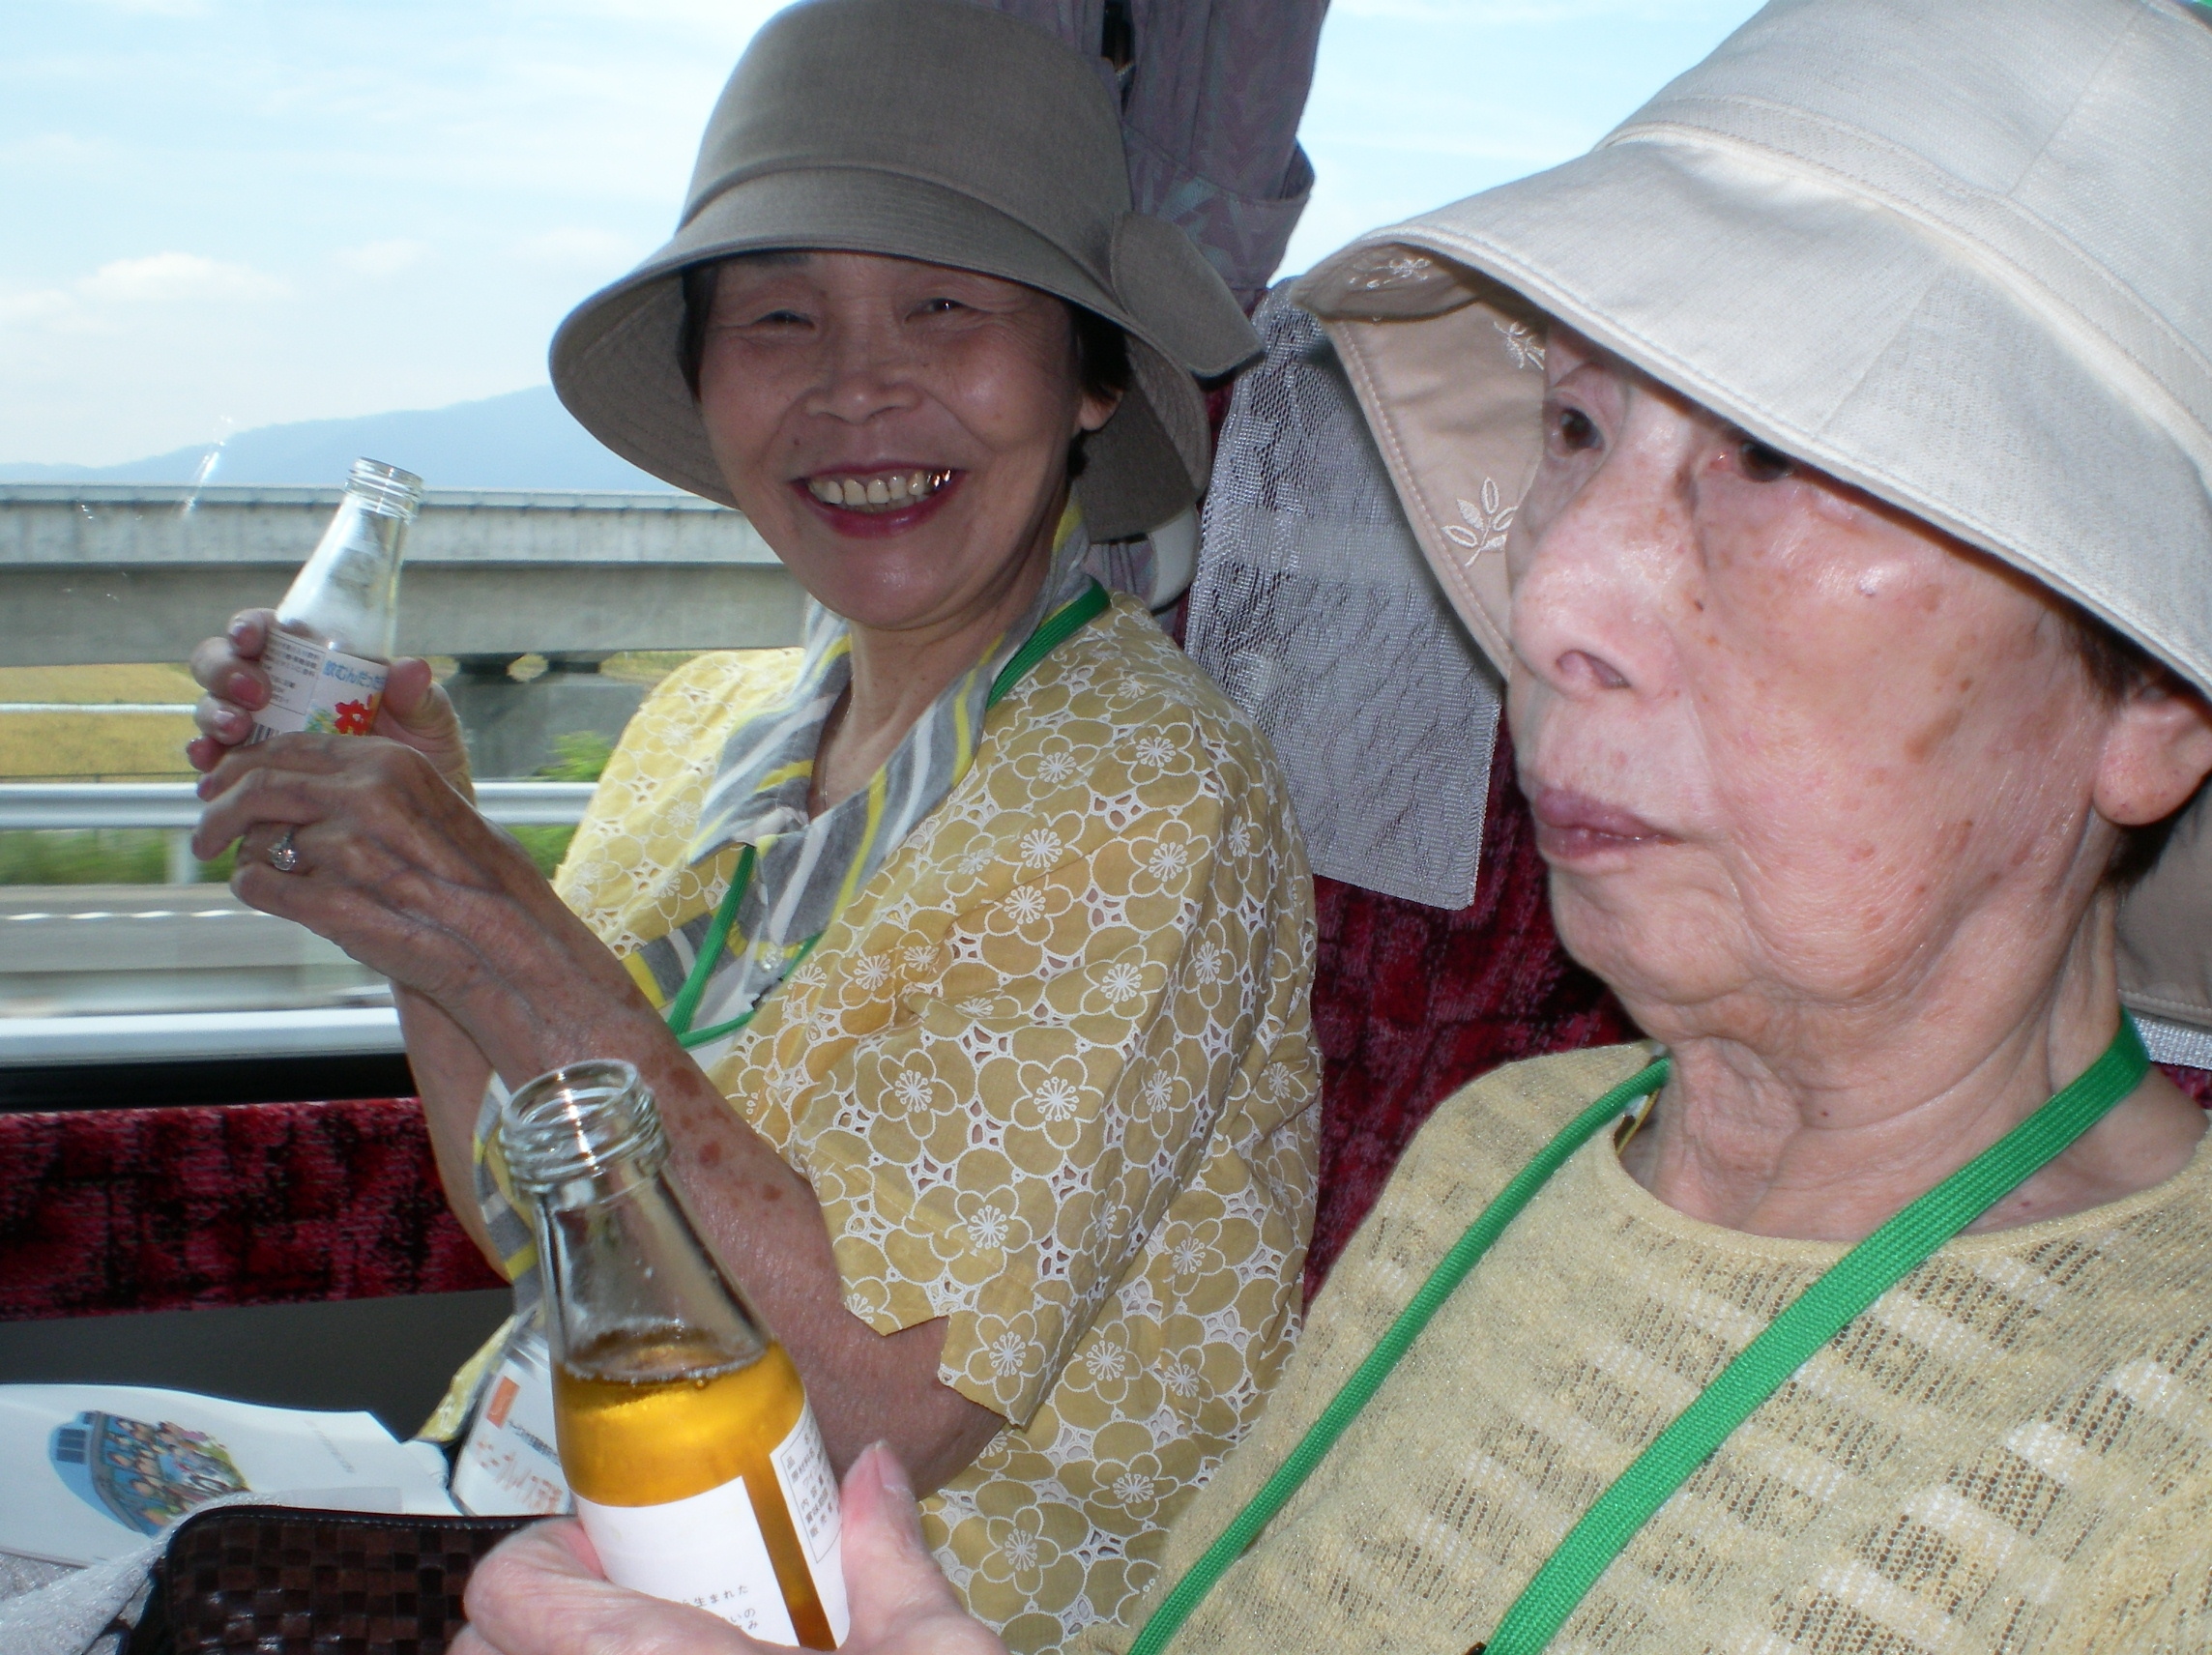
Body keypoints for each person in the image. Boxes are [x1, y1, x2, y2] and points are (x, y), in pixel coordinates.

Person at [449, 0, 2212, 1648]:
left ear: (2152, 701)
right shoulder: (1508, 1155)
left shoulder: (2168, 1469)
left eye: (1774, 456)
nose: (1549, 593)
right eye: (1575, 429)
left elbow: (889, 1397)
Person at [185, 1, 1320, 1646]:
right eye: (780, 318)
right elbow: (538, 1223)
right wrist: (416, 896)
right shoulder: (700, 727)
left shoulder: (1151, 790)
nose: (858, 388)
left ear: (1087, 378)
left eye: (946, 305)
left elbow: (872, 1414)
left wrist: (489, 910)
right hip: (544, 1530)